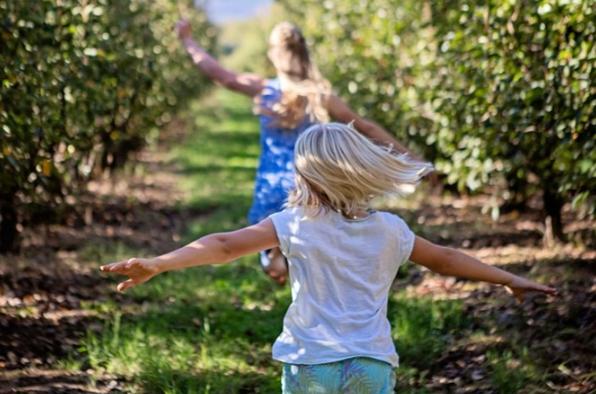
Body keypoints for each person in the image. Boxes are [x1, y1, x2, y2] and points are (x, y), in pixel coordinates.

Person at [101, 123, 557, 394]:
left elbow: (221, 245)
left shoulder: (294, 224)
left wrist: (159, 263)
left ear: (305, 175)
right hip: (369, 368)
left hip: (308, 366)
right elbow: (446, 259)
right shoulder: (391, 230)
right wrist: (507, 278)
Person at [174, 19, 429, 286]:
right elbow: (364, 126)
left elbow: (220, 74)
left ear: (273, 54)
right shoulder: (319, 95)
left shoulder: (264, 89)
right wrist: (411, 157)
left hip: (272, 187)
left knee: (271, 235)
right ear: (304, 52)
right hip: (311, 185)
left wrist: (188, 40)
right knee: (315, 245)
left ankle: (274, 258)